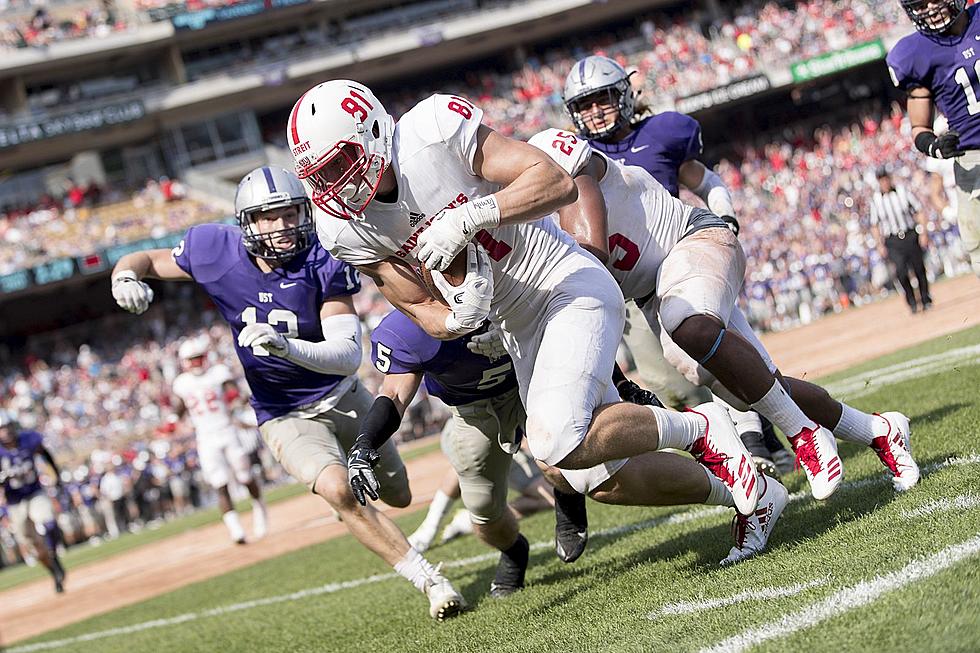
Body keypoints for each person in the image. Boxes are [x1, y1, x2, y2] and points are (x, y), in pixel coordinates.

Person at [291, 81, 765, 544]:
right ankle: (748, 494)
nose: (335, 185)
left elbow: (556, 182)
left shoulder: (430, 133)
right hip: (513, 325)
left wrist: (472, 215)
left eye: (341, 164)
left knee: (557, 438)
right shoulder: (343, 229)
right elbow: (415, 303)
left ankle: (702, 429)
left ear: (373, 132)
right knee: (582, 475)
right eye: (320, 177)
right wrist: (459, 318)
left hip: (561, 280)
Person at [110, 166, 465, 621]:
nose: (281, 227)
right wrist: (124, 278)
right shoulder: (213, 249)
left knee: (397, 495)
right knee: (340, 491)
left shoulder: (322, 256)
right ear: (246, 223)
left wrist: (287, 348)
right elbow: (143, 260)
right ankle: (430, 581)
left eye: (289, 214)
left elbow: (344, 354)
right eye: (268, 217)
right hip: (283, 412)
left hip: (342, 393)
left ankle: (361, 510)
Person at [526, 126, 921, 501]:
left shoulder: (543, 152)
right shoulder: (512, 227)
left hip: (691, 240)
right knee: (751, 386)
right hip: (652, 295)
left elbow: (589, 233)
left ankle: (804, 434)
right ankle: (879, 430)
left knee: (690, 326)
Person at [561, 54, 786, 476]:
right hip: (634, 281)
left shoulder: (662, 133)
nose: (594, 112)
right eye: (584, 105)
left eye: (602, 99)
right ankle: (765, 428)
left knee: (716, 345)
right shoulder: (577, 156)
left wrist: (726, 216)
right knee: (676, 377)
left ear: (624, 95)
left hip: (682, 253)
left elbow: (706, 180)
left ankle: (759, 437)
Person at [888, 0, 980, 276]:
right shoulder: (915, 53)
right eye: (919, 3)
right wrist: (936, 147)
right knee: (976, 246)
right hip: (972, 158)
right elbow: (919, 127)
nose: (929, 8)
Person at [172, 336, 268, 544]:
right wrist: (175, 419)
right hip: (205, 437)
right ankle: (235, 530)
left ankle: (259, 506)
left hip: (227, 430)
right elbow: (179, 408)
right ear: (184, 362)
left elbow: (236, 392)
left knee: (244, 476)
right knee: (219, 483)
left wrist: (238, 399)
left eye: (199, 358)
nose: (196, 363)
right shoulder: (182, 383)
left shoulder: (218, 373)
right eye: (192, 359)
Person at [0, 410, 67, 593]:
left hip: (34, 492)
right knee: (33, 546)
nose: (5, 432)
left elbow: (44, 453)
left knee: (49, 522)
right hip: (15, 502)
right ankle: (53, 570)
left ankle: (54, 556)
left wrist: (57, 476)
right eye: (1, 429)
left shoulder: (28, 440)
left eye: (6, 428)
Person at [870, 167, 933, 313]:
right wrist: (879, 244)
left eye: (886, 179)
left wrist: (923, 232)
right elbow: (874, 224)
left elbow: (919, 210)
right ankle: (911, 301)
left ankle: (925, 298)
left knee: (918, 268)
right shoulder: (876, 200)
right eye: (881, 180)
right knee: (901, 271)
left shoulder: (903, 192)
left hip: (909, 234)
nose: (884, 182)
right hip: (893, 240)